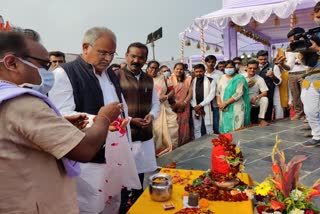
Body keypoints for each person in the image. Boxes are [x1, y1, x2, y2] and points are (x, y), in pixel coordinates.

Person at [0, 31, 123, 213]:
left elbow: (26, 133)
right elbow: (84, 149)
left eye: (111, 54)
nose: (47, 72)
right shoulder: (21, 103)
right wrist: (104, 117)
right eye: (43, 64)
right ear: (11, 63)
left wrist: (61, 123)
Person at [49, 27, 135, 214]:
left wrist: (123, 121)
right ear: (85, 47)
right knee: (91, 205)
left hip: (114, 150)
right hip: (87, 156)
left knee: (112, 202)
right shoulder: (64, 74)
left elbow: (118, 104)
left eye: (112, 54)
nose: (108, 59)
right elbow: (62, 115)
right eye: (103, 53)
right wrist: (99, 120)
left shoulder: (110, 73)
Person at [118, 42, 160, 212]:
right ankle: (122, 206)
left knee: (140, 170)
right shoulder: (116, 77)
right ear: (126, 56)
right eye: (133, 56)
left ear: (145, 60)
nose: (136, 60)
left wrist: (152, 115)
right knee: (122, 173)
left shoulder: (148, 79)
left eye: (140, 57)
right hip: (124, 134)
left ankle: (137, 202)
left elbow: (155, 103)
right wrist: (130, 120)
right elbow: (113, 106)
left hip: (144, 134)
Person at [146, 60, 178, 156]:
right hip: (150, 110)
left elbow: (172, 90)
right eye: (152, 67)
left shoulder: (163, 78)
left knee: (171, 128)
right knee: (156, 132)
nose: (153, 70)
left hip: (165, 108)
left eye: (156, 68)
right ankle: (156, 155)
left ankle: (171, 152)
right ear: (147, 68)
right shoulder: (144, 79)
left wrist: (166, 96)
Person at [299, 1, 320, 147]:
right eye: (317, 16)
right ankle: (317, 136)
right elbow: (305, 62)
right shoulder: (312, 34)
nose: (318, 19)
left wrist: (317, 49)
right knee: (310, 109)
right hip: (311, 78)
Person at [216, 60, 250, 133]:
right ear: (224, 68)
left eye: (231, 67)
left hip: (236, 106)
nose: (229, 69)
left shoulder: (240, 78)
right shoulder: (221, 77)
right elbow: (218, 92)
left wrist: (225, 103)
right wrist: (219, 104)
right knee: (225, 127)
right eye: (227, 67)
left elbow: (238, 94)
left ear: (235, 68)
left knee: (237, 127)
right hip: (223, 108)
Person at [169, 62, 193, 146]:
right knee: (173, 124)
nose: (179, 71)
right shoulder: (169, 79)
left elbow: (190, 93)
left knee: (184, 124)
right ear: (174, 69)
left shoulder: (187, 80)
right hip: (172, 106)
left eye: (181, 69)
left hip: (184, 106)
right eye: (177, 69)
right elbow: (167, 92)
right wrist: (174, 104)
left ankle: (183, 143)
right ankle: (174, 144)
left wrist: (184, 102)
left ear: (184, 70)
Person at [190, 64, 215, 139]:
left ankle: (211, 143)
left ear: (204, 71)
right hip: (195, 107)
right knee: (196, 127)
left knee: (209, 126)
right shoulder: (191, 81)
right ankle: (197, 144)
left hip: (206, 106)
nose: (198, 73)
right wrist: (195, 105)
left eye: (200, 71)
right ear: (194, 72)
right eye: (196, 72)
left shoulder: (211, 80)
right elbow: (189, 95)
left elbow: (211, 95)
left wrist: (200, 105)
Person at [256, 50, 281, 121]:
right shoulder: (254, 67)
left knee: (267, 114)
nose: (263, 61)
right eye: (260, 59)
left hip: (269, 94)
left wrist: (272, 76)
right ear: (257, 59)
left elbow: (279, 82)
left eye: (265, 59)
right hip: (256, 94)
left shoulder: (274, 67)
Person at [243, 60, 269, 126]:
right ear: (246, 68)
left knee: (265, 99)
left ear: (257, 69)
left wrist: (256, 97)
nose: (252, 70)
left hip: (254, 99)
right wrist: (246, 86)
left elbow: (265, 92)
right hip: (243, 99)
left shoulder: (259, 79)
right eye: (250, 68)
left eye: (254, 68)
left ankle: (261, 119)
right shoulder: (241, 77)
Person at [205, 55, 223, 134]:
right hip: (205, 100)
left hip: (216, 100)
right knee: (207, 121)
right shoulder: (203, 73)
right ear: (206, 63)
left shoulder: (220, 74)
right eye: (209, 62)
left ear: (215, 63)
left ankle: (217, 135)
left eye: (213, 62)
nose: (211, 64)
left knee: (216, 120)